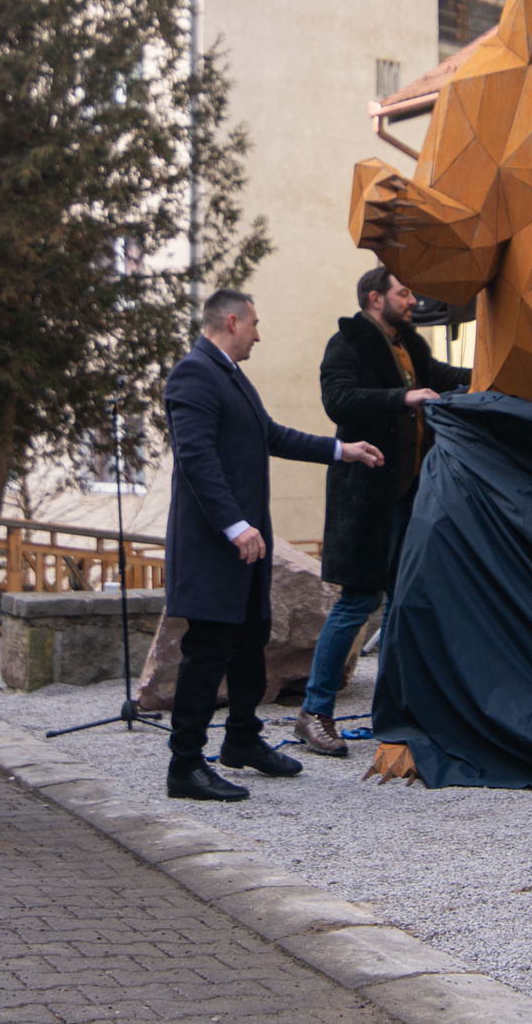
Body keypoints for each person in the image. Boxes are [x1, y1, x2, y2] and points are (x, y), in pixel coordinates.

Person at [161, 289, 383, 801]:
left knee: (248, 646)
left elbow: (271, 436)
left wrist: (340, 451)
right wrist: (234, 526)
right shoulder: (193, 373)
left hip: (245, 545)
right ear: (232, 321)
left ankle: (241, 741)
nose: (260, 335)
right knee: (207, 651)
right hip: (216, 545)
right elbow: (195, 458)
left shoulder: (231, 376)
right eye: (255, 324)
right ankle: (186, 766)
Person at [297, 268, 468, 757]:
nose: (413, 299)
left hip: (406, 495)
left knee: (400, 601)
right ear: (376, 298)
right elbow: (339, 401)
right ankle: (315, 711)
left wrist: (493, 370)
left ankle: (392, 711)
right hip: (366, 497)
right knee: (356, 602)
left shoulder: (408, 345)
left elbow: (444, 378)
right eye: (403, 292)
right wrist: (403, 397)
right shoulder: (348, 342)